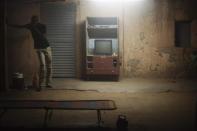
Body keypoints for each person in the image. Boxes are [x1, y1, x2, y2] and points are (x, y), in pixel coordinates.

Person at [7, 15, 52, 91]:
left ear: (37, 20)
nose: (33, 21)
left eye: (35, 20)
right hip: (38, 48)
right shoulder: (30, 25)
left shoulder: (42, 26)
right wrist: (8, 24)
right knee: (42, 65)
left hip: (47, 47)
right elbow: (20, 26)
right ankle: (40, 85)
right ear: (31, 20)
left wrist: (34, 27)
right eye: (32, 20)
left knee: (49, 66)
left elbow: (42, 36)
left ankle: (48, 83)